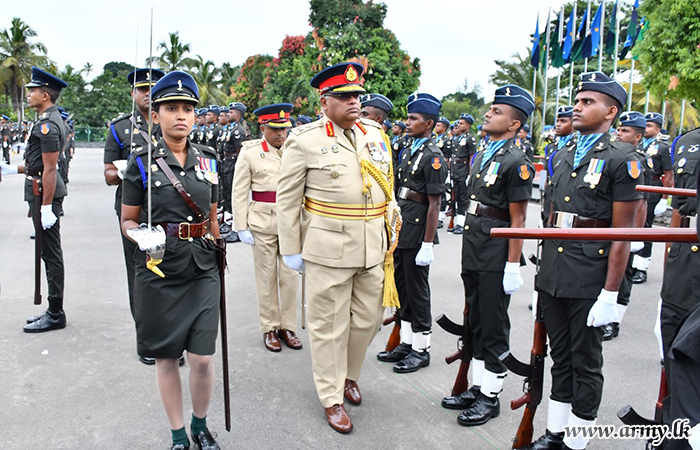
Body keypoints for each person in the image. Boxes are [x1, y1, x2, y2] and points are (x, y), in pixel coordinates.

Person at [276, 62, 395, 434]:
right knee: (328, 327)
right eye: (344, 97)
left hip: (373, 246)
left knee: (368, 319)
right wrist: (290, 248)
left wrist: (392, 222)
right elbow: (287, 199)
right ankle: (331, 396)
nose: (354, 102)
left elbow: (387, 184)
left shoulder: (375, 133)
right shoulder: (304, 139)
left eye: (357, 96)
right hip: (327, 247)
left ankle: (348, 374)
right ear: (324, 101)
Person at [527, 72, 642, 450]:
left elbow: (622, 235)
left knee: (585, 361)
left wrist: (612, 292)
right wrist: (540, 274)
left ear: (611, 112)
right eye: (578, 100)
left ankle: (577, 440)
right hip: (556, 272)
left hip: (591, 274)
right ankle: (555, 432)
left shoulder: (622, 158)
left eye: (588, 102)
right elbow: (549, 217)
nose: (577, 106)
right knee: (559, 355)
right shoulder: (561, 155)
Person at [120, 71, 222, 450]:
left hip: (201, 269)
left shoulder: (208, 161)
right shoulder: (142, 163)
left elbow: (212, 216)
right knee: (166, 359)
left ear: (195, 116)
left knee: (202, 360)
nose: (181, 115)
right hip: (158, 269)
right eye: (171, 108)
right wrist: (139, 235)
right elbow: (127, 219)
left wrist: (219, 241)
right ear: (156, 115)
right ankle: (179, 434)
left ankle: (200, 425)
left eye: (188, 109)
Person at [440, 85, 534, 427]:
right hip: (476, 245)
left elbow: (519, 219)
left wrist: (512, 265)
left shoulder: (516, 161)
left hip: (496, 251)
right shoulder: (485, 154)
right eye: (491, 109)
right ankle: (477, 386)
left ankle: (491, 395)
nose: (488, 113)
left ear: (513, 124)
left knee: (493, 325)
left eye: (497, 111)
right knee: (476, 321)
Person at [376, 93, 447, 373]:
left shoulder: (433, 156)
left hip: (418, 231)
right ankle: (406, 342)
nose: (407, 123)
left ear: (428, 123)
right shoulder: (409, 149)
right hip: (403, 226)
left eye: (413, 119)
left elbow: (434, 203)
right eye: (408, 117)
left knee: (418, 292)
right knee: (403, 287)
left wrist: (427, 243)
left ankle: (421, 348)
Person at [103, 68, 166, 364]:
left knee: (169, 271)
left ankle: (169, 337)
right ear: (134, 94)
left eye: (153, 88)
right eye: (142, 89)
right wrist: (124, 171)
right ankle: (147, 338)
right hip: (133, 210)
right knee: (140, 274)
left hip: (168, 209)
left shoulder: (169, 121)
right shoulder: (119, 128)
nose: (147, 94)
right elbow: (108, 175)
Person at [0, 67, 68, 332]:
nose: (28, 94)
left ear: (45, 95)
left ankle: (55, 311)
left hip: (44, 193)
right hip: (38, 188)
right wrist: (11, 169)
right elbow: (38, 164)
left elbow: (50, 169)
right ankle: (53, 308)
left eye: (32, 91)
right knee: (46, 251)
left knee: (50, 253)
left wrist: (48, 206)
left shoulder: (48, 124)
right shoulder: (45, 119)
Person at [232, 103, 301, 352]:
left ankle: (288, 326)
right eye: (275, 129)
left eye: (284, 129)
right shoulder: (250, 152)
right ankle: (270, 327)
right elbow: (239, 191)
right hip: (262, 222)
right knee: (266, 277)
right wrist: (241, 226)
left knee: (290, 277)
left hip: (292, 222)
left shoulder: (296, 149)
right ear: (263, 127)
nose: (281, 134)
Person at [603, 111, 650, 341]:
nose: (620, 134)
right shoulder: (613, 154)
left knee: (624, 275)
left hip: (627, 226)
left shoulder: (637, 160)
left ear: (638, 137)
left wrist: (636, 235)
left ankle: (615, 321)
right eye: (619, 129)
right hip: (610, 223)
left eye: (626, 131)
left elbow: (641, 202)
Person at [631, 111, 675, 284]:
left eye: (650, 125)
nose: (646, 127)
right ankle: (631, 263)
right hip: (636, 189)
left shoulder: (662, 147)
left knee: (645, 228)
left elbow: (668, 175)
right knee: (633, 225)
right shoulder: (638, 143)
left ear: (657, 129)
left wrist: (664, 198)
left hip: (653, 189)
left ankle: (642, 267)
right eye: (645, 124)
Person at [542, 106, 576, 224]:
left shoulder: (576, 147)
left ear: (573, 124)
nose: (558, 124)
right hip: (549, 197)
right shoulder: (551, 147)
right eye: (557, 121)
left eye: (563, 121)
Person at [450, 113, 477, 235]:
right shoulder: (458, 138)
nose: (459, 125)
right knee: (454, 197)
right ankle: (457, 222)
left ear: (468, 125)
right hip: (455, 170)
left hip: (463, 171)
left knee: (462, 198)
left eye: (461, 123)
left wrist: (470, 174)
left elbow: (472, 157)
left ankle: (461, 223)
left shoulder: (470, 138)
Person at [435, 116, 454, 229]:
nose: (436, 127)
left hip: (442, 169)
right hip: (434, 169)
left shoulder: (447, 141)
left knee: (441, 195)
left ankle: (440, 218)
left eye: (439, 125)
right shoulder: (435, 139)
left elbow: (447, 158)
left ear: (444, 128)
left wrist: (446, 172)